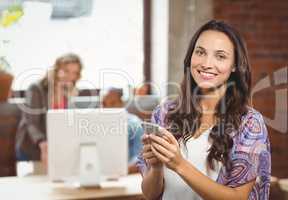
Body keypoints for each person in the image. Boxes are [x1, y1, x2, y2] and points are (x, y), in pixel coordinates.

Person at [137, 20, 271, 200]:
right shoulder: (163, 114)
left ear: (234, 66)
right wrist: (156, 167)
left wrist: (179, 164)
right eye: (200, 52)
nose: (207, 63)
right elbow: (150, 194)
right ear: (190, 57)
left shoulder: (249, 123)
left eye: (220, 56)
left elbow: (238, 198)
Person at [15, 53, 83, 169]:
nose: (70, 76)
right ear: (57, 69)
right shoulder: (36, 88)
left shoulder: (68, 91)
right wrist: (43, 144)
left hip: (55, 147)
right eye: (66, 71)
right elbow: (31, 122)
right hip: (33, 147)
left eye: (74, 73)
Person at [102, 88, 143, 174]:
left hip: (127, 175)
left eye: (112, 103)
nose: (107, 107)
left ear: (121, 104)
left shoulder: (134, 124)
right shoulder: (97, 125)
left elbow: (140, 159)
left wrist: (118, 171)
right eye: (104, 104)